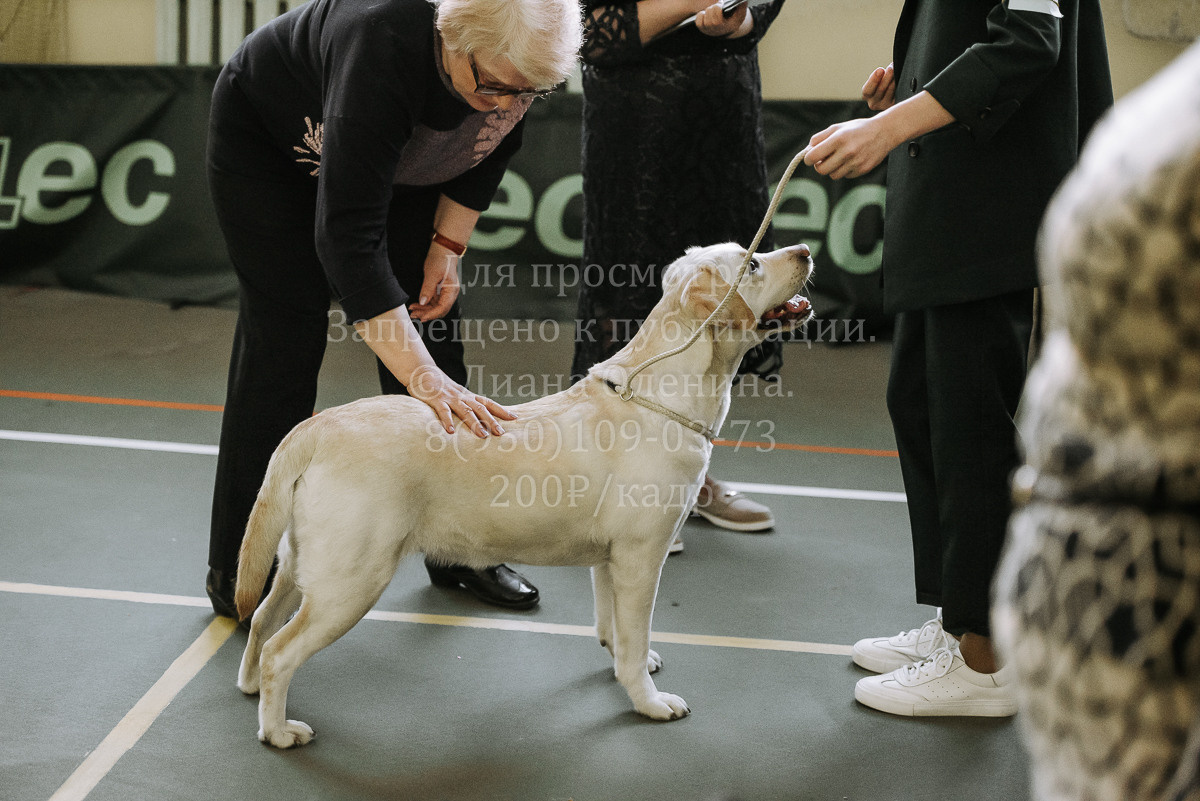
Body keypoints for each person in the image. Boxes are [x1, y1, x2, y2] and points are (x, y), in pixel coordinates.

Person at [204, 0, 583, 620]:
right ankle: (242, 566)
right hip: (273, 145)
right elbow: (347, 242)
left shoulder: (511, 62)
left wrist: (447, 248)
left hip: (404, 155)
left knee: (432, 330)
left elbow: (491, 148)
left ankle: (459, 548)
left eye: (527, 92)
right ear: (454, 36)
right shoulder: (379, 42)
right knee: (284, 341)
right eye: (494, 85)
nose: (506, 102)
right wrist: (419, 378)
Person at [802, 0, 1112, 716]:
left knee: (970, 425)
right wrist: (913, 83)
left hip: (987, 202)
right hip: (951, 193)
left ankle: (985, 660)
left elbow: (1029, 41)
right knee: (922, 402)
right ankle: (961, 618)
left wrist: (888, 126)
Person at [575, 0, 787, 550]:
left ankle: (687, 478)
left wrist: (739, 18)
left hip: (724, 116)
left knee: (727, 296)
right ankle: (618, 483)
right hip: (636, 120)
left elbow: (760, 10)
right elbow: (595, 34)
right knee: (628, 292)